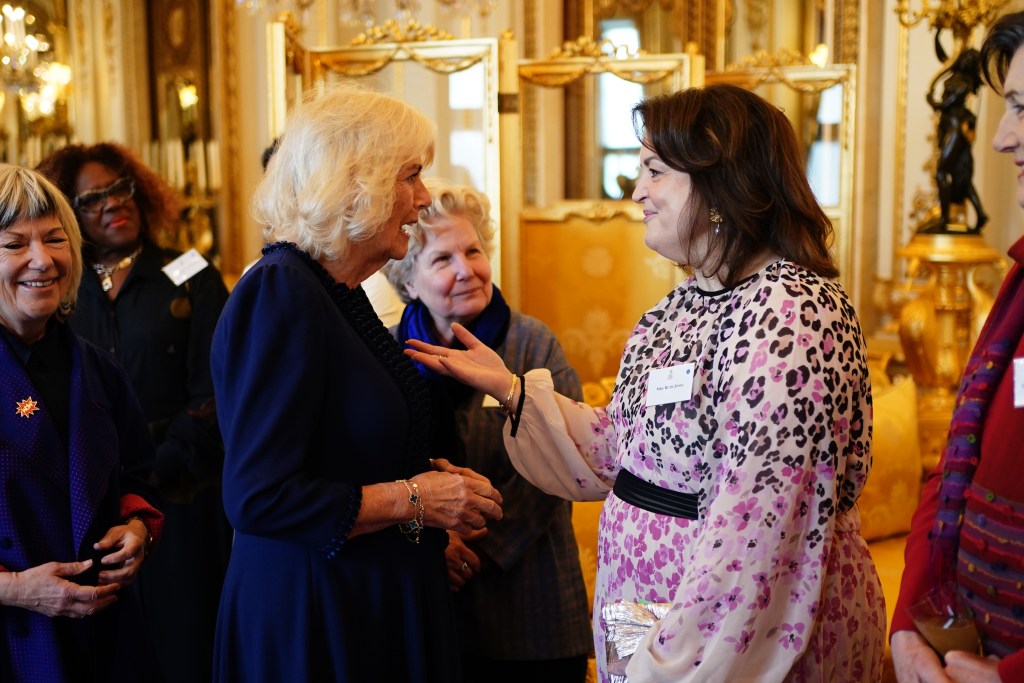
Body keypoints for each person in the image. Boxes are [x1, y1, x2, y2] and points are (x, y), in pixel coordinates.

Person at [404, 83, 886, 682]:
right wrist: (511, 390)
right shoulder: (677, 307)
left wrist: (671, 665)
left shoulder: (793, 310)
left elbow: (760, 523)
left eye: (654, 170)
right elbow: (620, 452)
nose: (636, 191)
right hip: (641, 609)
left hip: (721, 643)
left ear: (718, 184)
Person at [209, 84, 503, 683]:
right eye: (411, 177)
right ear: (356, 181)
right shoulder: (281, 291)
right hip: (314, 618)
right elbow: (259, 497)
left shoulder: (338, 292)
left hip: (362, 600)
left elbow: (350, 457)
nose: (422, 200)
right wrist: (418, 499)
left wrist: (434, 495)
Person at [37, 142, 232, 683]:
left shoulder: (190, 272)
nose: (112, 203)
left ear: (140, 190)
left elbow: (215, 391)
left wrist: (153, 470)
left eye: (120, 188)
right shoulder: (60, 286)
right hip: (91, 510)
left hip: (186, 495)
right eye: (92, 198)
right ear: (71, 215)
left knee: (186, 647)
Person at [383, 180, 592, 682]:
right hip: (427, 600)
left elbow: (561, 466)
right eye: (442, 259)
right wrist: (434, 545)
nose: (466, 270)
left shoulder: (533, 344)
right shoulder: (387, 352)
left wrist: (473, 548)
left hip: (530, 608)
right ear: (408, 281)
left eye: (473, 251)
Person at [890, 12, 1024, 683]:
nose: (1001, 138)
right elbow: (952, 470)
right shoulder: (1019, 282)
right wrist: (910, 626)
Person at [0, 164, 164, 682]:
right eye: (14, 245)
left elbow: (139, 478)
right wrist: (18, 590)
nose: (41, 260)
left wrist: (137, 529)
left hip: (108, 642)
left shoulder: (97, 368)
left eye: (55, 239)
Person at [922, 42, 988, 234]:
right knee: (961, 176)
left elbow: (948, 103)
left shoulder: (964, 82)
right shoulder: (956, 75)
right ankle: (981, 214)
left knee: (942, 171)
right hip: (951, 129)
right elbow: (945, 59)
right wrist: (938, 34)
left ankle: (944, 218)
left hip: (956, 130)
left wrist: (932, 101)